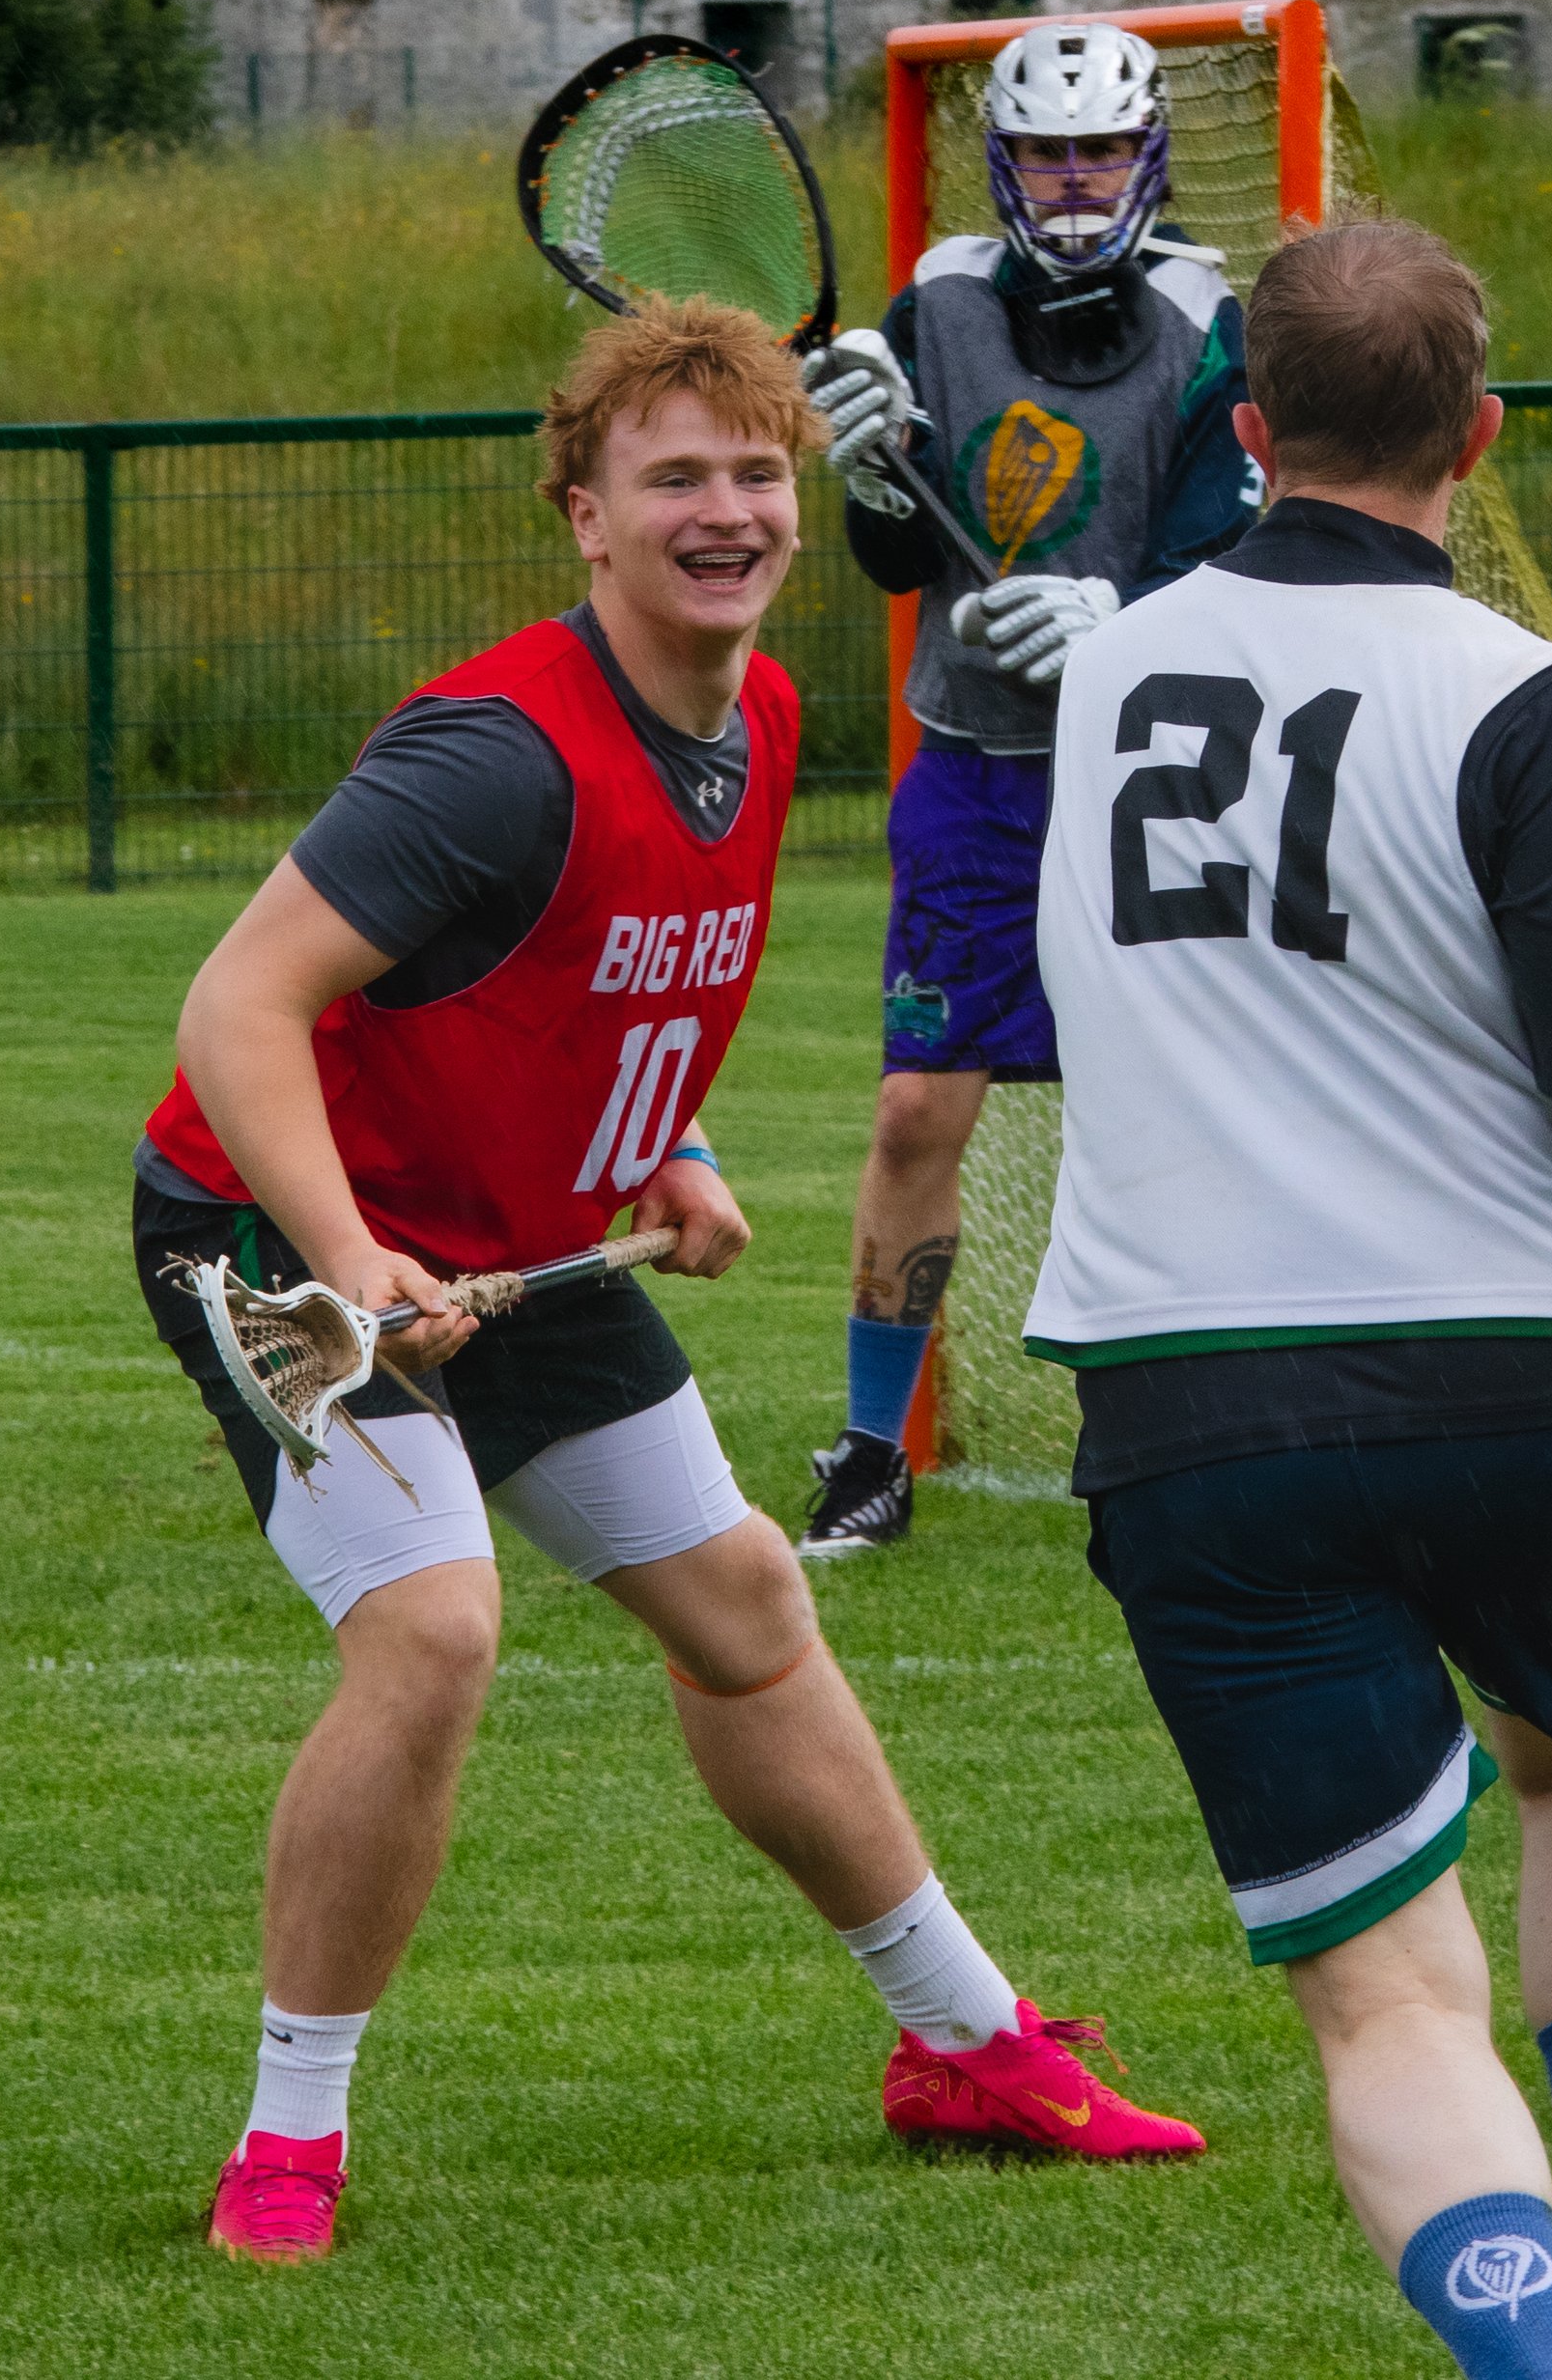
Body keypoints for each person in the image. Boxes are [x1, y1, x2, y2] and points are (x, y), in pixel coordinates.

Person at [133, 297, 1202, 2263]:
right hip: (275, 1239)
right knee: (436, 1633)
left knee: (743, 1603)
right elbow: (236, 1008)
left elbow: (585, 979)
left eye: (754, 472)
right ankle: (290, 2138)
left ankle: (960, 2038)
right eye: (672, 477)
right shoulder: (487, 752)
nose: (724, 510)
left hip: (512, 1244)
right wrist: (358, 1255)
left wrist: (670, 1149)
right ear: (584, 518)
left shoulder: (765, 717)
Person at [1024, 216, 1552, 2380]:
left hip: (1191, 1400)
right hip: (1524, 1379)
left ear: (1243, 429)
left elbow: (1240, 1024)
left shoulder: (1096, 674)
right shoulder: (1511, 689)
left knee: (1384, 2001)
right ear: (1478, 432)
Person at [794, 19, 1255, 1554]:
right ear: (1002, 158)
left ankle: (1185, 1425)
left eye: (1102, 150)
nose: (1074, 181)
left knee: (1175, 1111)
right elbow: (892, 551)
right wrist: (867, 474)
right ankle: (872, 1448)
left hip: (1150, 780)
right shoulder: (934, 297)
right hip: (978, 773)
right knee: (922, 1104)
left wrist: (1123, 622)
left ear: (1149, 155)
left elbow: (1235, 547)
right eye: (1049, 152)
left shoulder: (1212, 316)